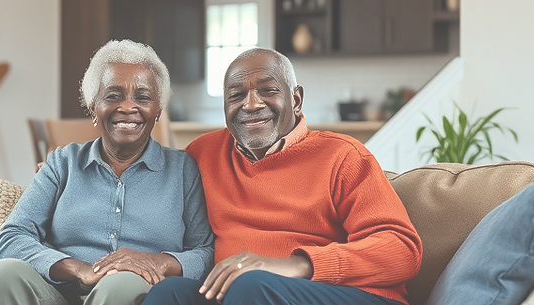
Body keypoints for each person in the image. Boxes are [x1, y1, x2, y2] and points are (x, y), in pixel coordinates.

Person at [141, 48, 423, 305]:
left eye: (267, 90)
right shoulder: (203, 153)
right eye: (236, 95)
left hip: (352, 295)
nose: (251, 105)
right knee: (169, 294)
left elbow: (403, 250)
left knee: (250, 285)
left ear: (296, 99)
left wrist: (297, 264)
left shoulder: (343, 156)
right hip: (241, 293)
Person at [0, 40, 214, 305]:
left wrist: (158, 261)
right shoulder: (63, 163)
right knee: (2, 273)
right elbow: (11, 236)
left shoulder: (182, 170)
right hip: (58, 291)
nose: (127, 107)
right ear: (92, 107)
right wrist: (79, 269)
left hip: (132, 292)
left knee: (121, 283)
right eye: (113, 95)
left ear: (157, 111)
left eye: (142, 97)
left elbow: (205, 251)